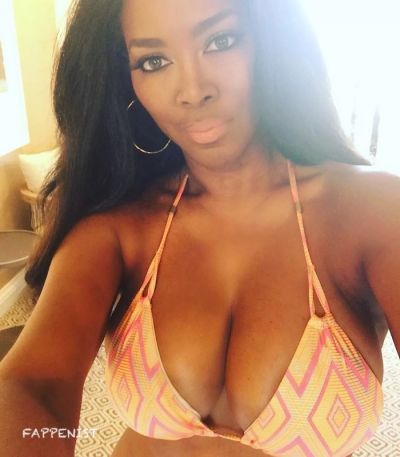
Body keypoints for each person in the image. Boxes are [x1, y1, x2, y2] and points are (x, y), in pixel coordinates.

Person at [0, 0, 399, 456]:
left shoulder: (373, 211)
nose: (192, 90)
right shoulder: (120, 226)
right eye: (154, 61)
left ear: (271, 42)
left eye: (220, 41)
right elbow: (36, 383)